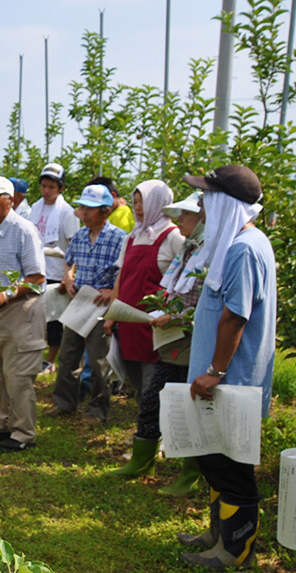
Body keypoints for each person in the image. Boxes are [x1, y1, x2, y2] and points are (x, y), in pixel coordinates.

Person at [177, 165, 275, 571]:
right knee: (213, 457)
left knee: (231, 464)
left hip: (229, 381)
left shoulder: (244, 249)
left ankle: (237, 548)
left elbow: (236, 317)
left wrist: (215, 371)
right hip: (218, 380)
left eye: (207, 197)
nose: (200, 204)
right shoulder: (239, 243)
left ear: (225, 204)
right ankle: (218, 532)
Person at [106, 180, 185, 477]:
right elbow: (122, 278)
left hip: (156, 326)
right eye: (135, 201)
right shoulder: (132, 237)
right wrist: (111, 313)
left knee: (156, 387)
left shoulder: (172, 236)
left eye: (143, 202)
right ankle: (147, 438)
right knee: (139, 385)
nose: (138, 208)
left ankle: (156, 443)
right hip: (129, 322)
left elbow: (182, 279)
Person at [0, 176, 46, 453]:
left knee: (18, 375)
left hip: (21, 310)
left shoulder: (24, 230)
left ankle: (23, 432)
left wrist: (8, 294)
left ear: (10, 200)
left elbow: (37, 277)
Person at [48, 184, 126, 422]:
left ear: (104, 211)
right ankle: (64, 403)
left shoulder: (118, 238)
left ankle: (97, 409)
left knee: (98, 359)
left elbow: (124, 271)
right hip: (79, 301)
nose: (83, 212)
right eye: (82, 207)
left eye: (89, 208)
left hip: (100, 305)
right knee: (69, 355)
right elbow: (68, 261)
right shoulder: (80, 236)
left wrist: (113, 292)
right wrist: (68, 277)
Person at [27, 163, 80, 374]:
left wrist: (69, 275)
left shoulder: (67, 213)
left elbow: (73, 244)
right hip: (37, 269)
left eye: (51, 187)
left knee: (54, 318)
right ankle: (35, 354)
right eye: (44, 186)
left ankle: (50, 359)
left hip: (57, 270)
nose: (46, 191)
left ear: (61, 189)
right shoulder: (35, 207)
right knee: (35, 313)